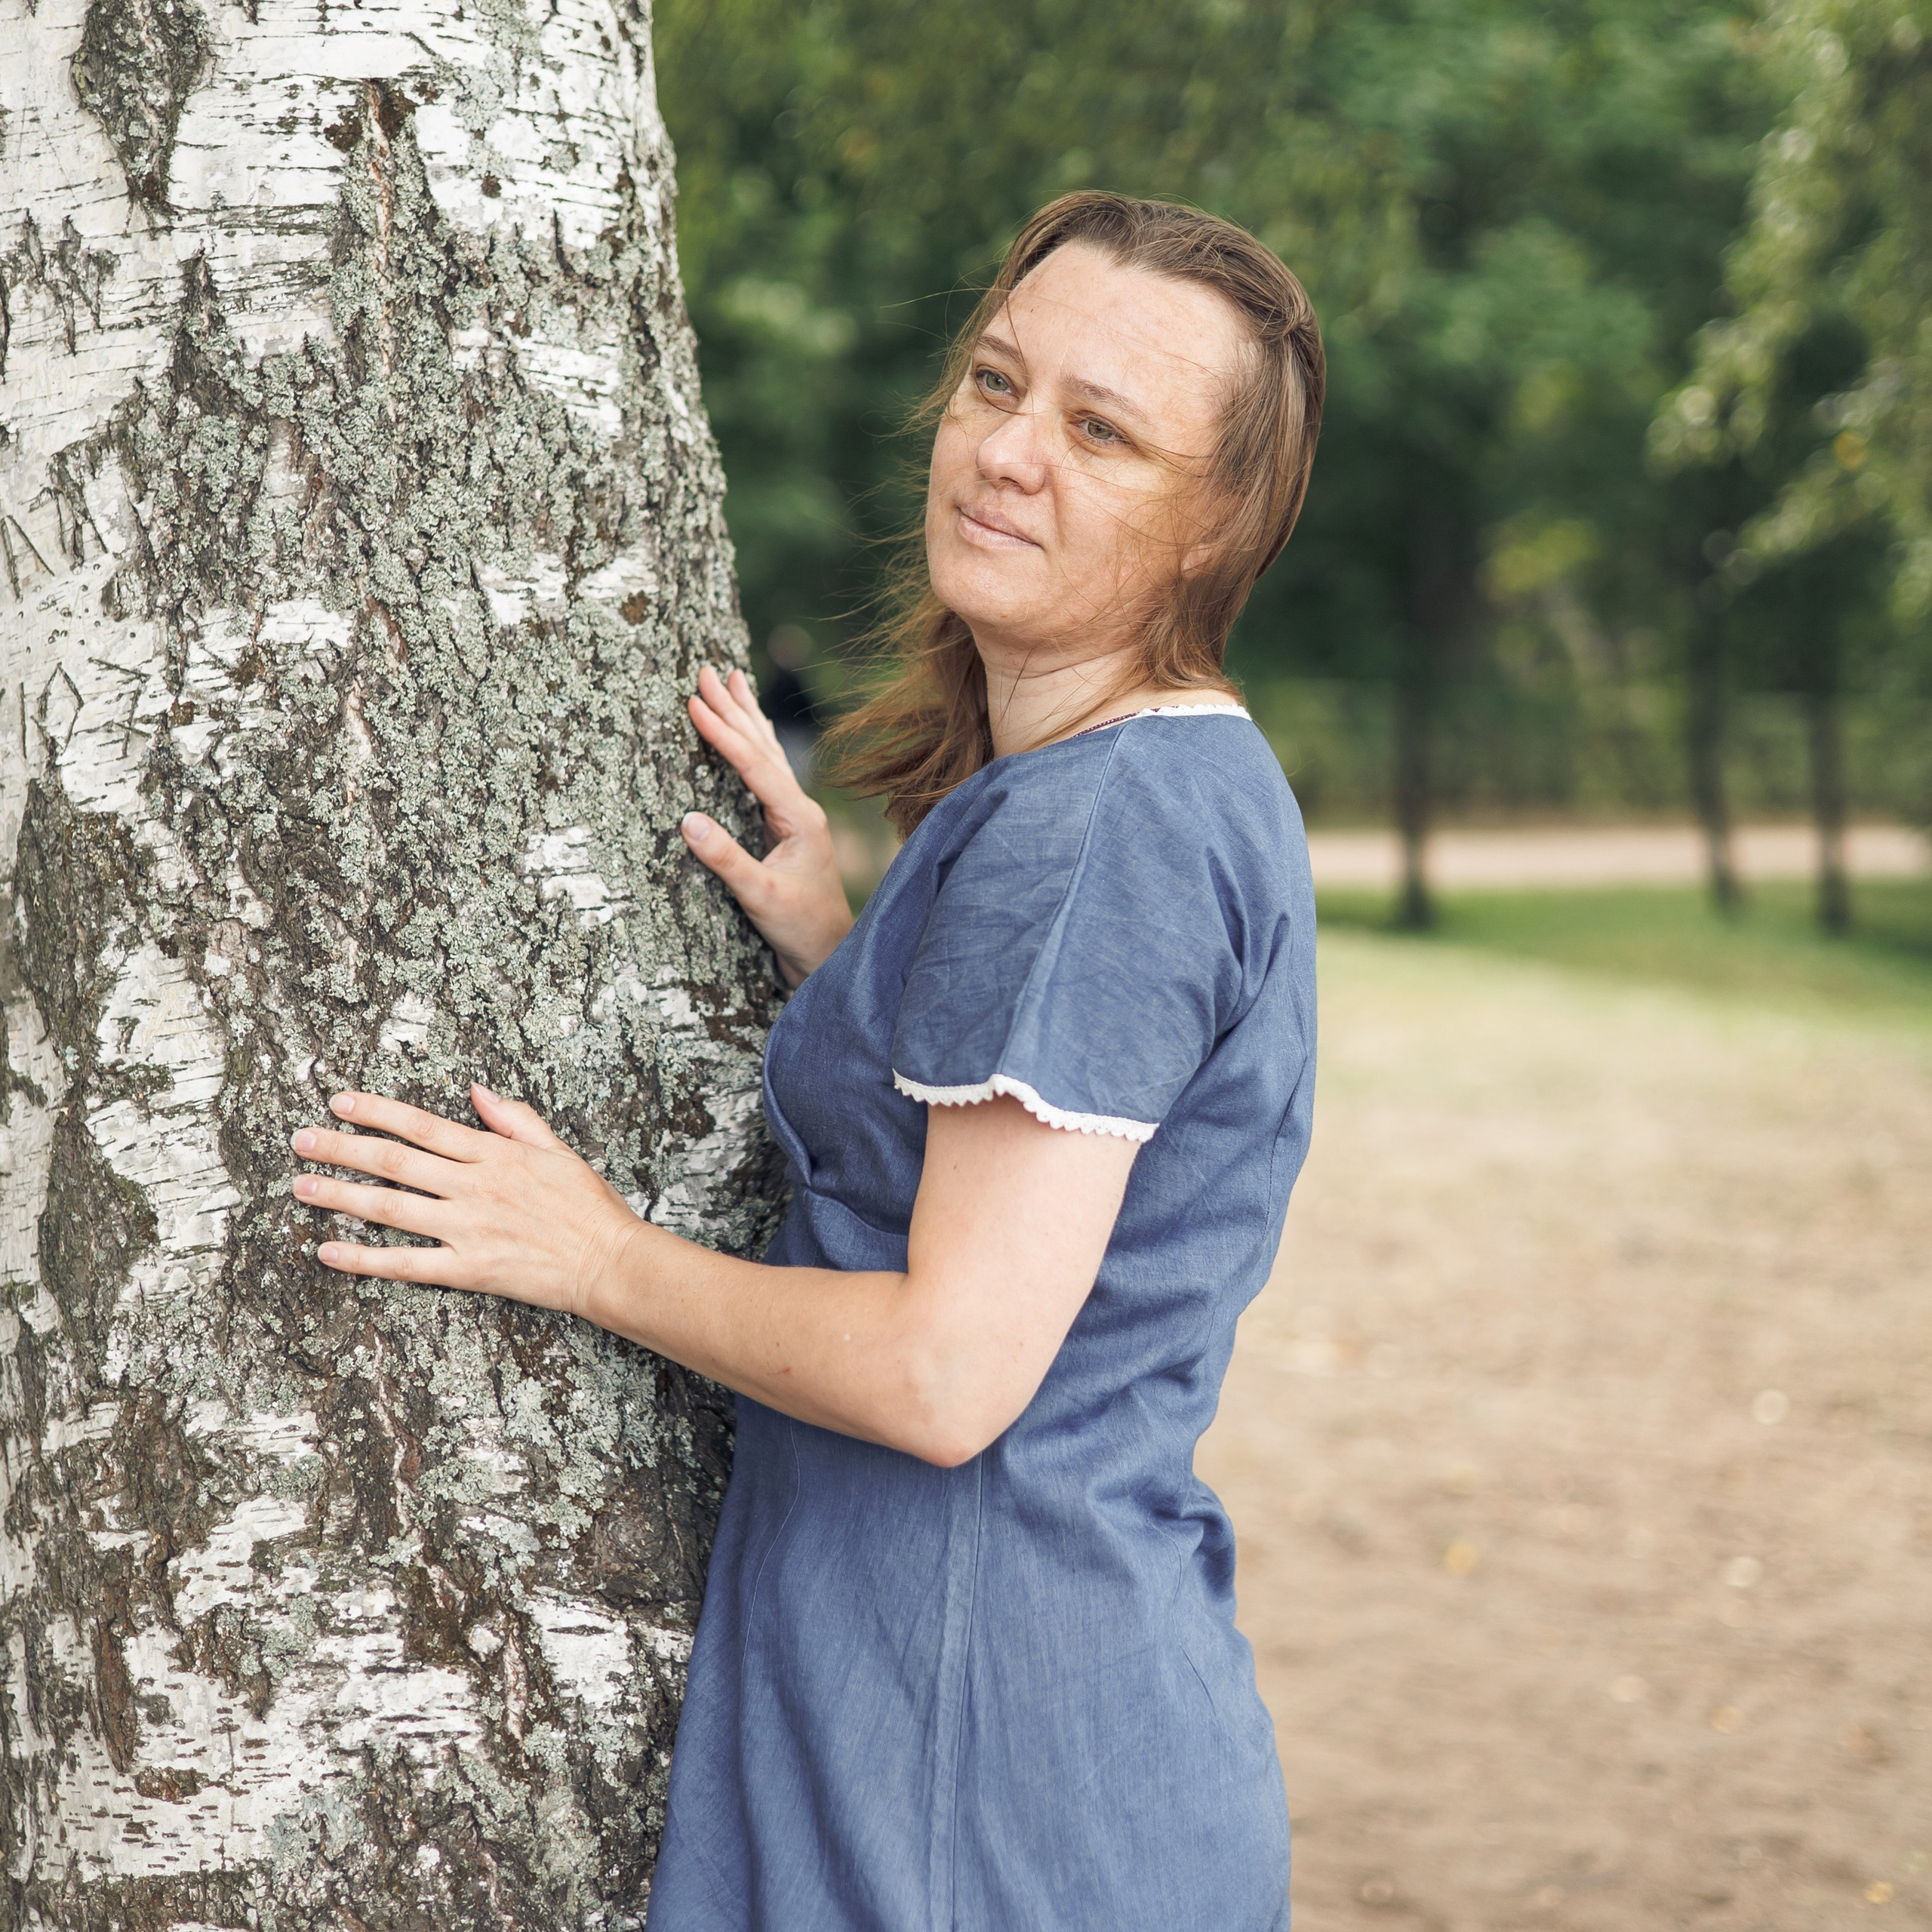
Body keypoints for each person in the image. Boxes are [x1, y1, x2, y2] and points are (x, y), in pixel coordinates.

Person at [292, 191, 1324, 1931]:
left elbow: (945, 1372)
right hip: (974, 1717)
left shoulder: (1103, 832)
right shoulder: (1120, 794)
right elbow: (1039, 1189)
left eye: (1099, 431)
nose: (1006, 451)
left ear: (1213, 528)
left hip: (975, 1776)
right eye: (994, 382)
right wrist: (855, 964)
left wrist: (593, 1251)